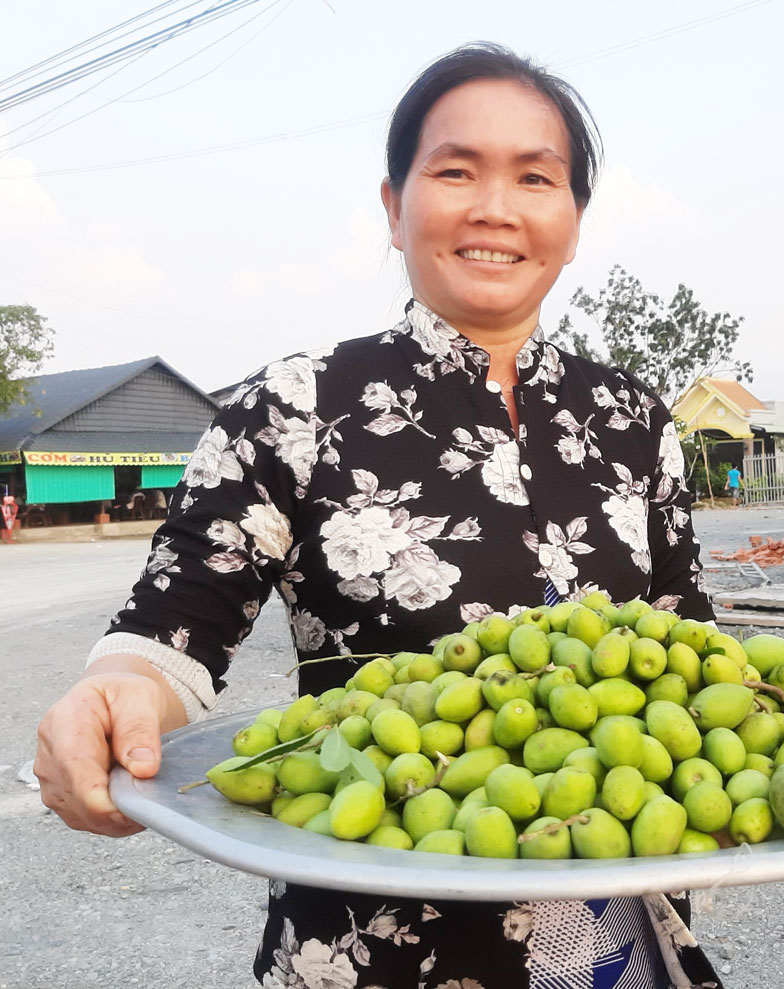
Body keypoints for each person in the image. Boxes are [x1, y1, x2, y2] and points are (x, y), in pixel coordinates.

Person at [35, 44, 725, 988]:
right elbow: (171, 631)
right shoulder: (294, 405)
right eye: (455, 170)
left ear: (571, 220)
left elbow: (688, 642)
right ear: (395, 206)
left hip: (612, 940)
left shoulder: (635, 420)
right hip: (373, 946)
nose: (495, 206)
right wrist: (113, 690)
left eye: (535, 176)